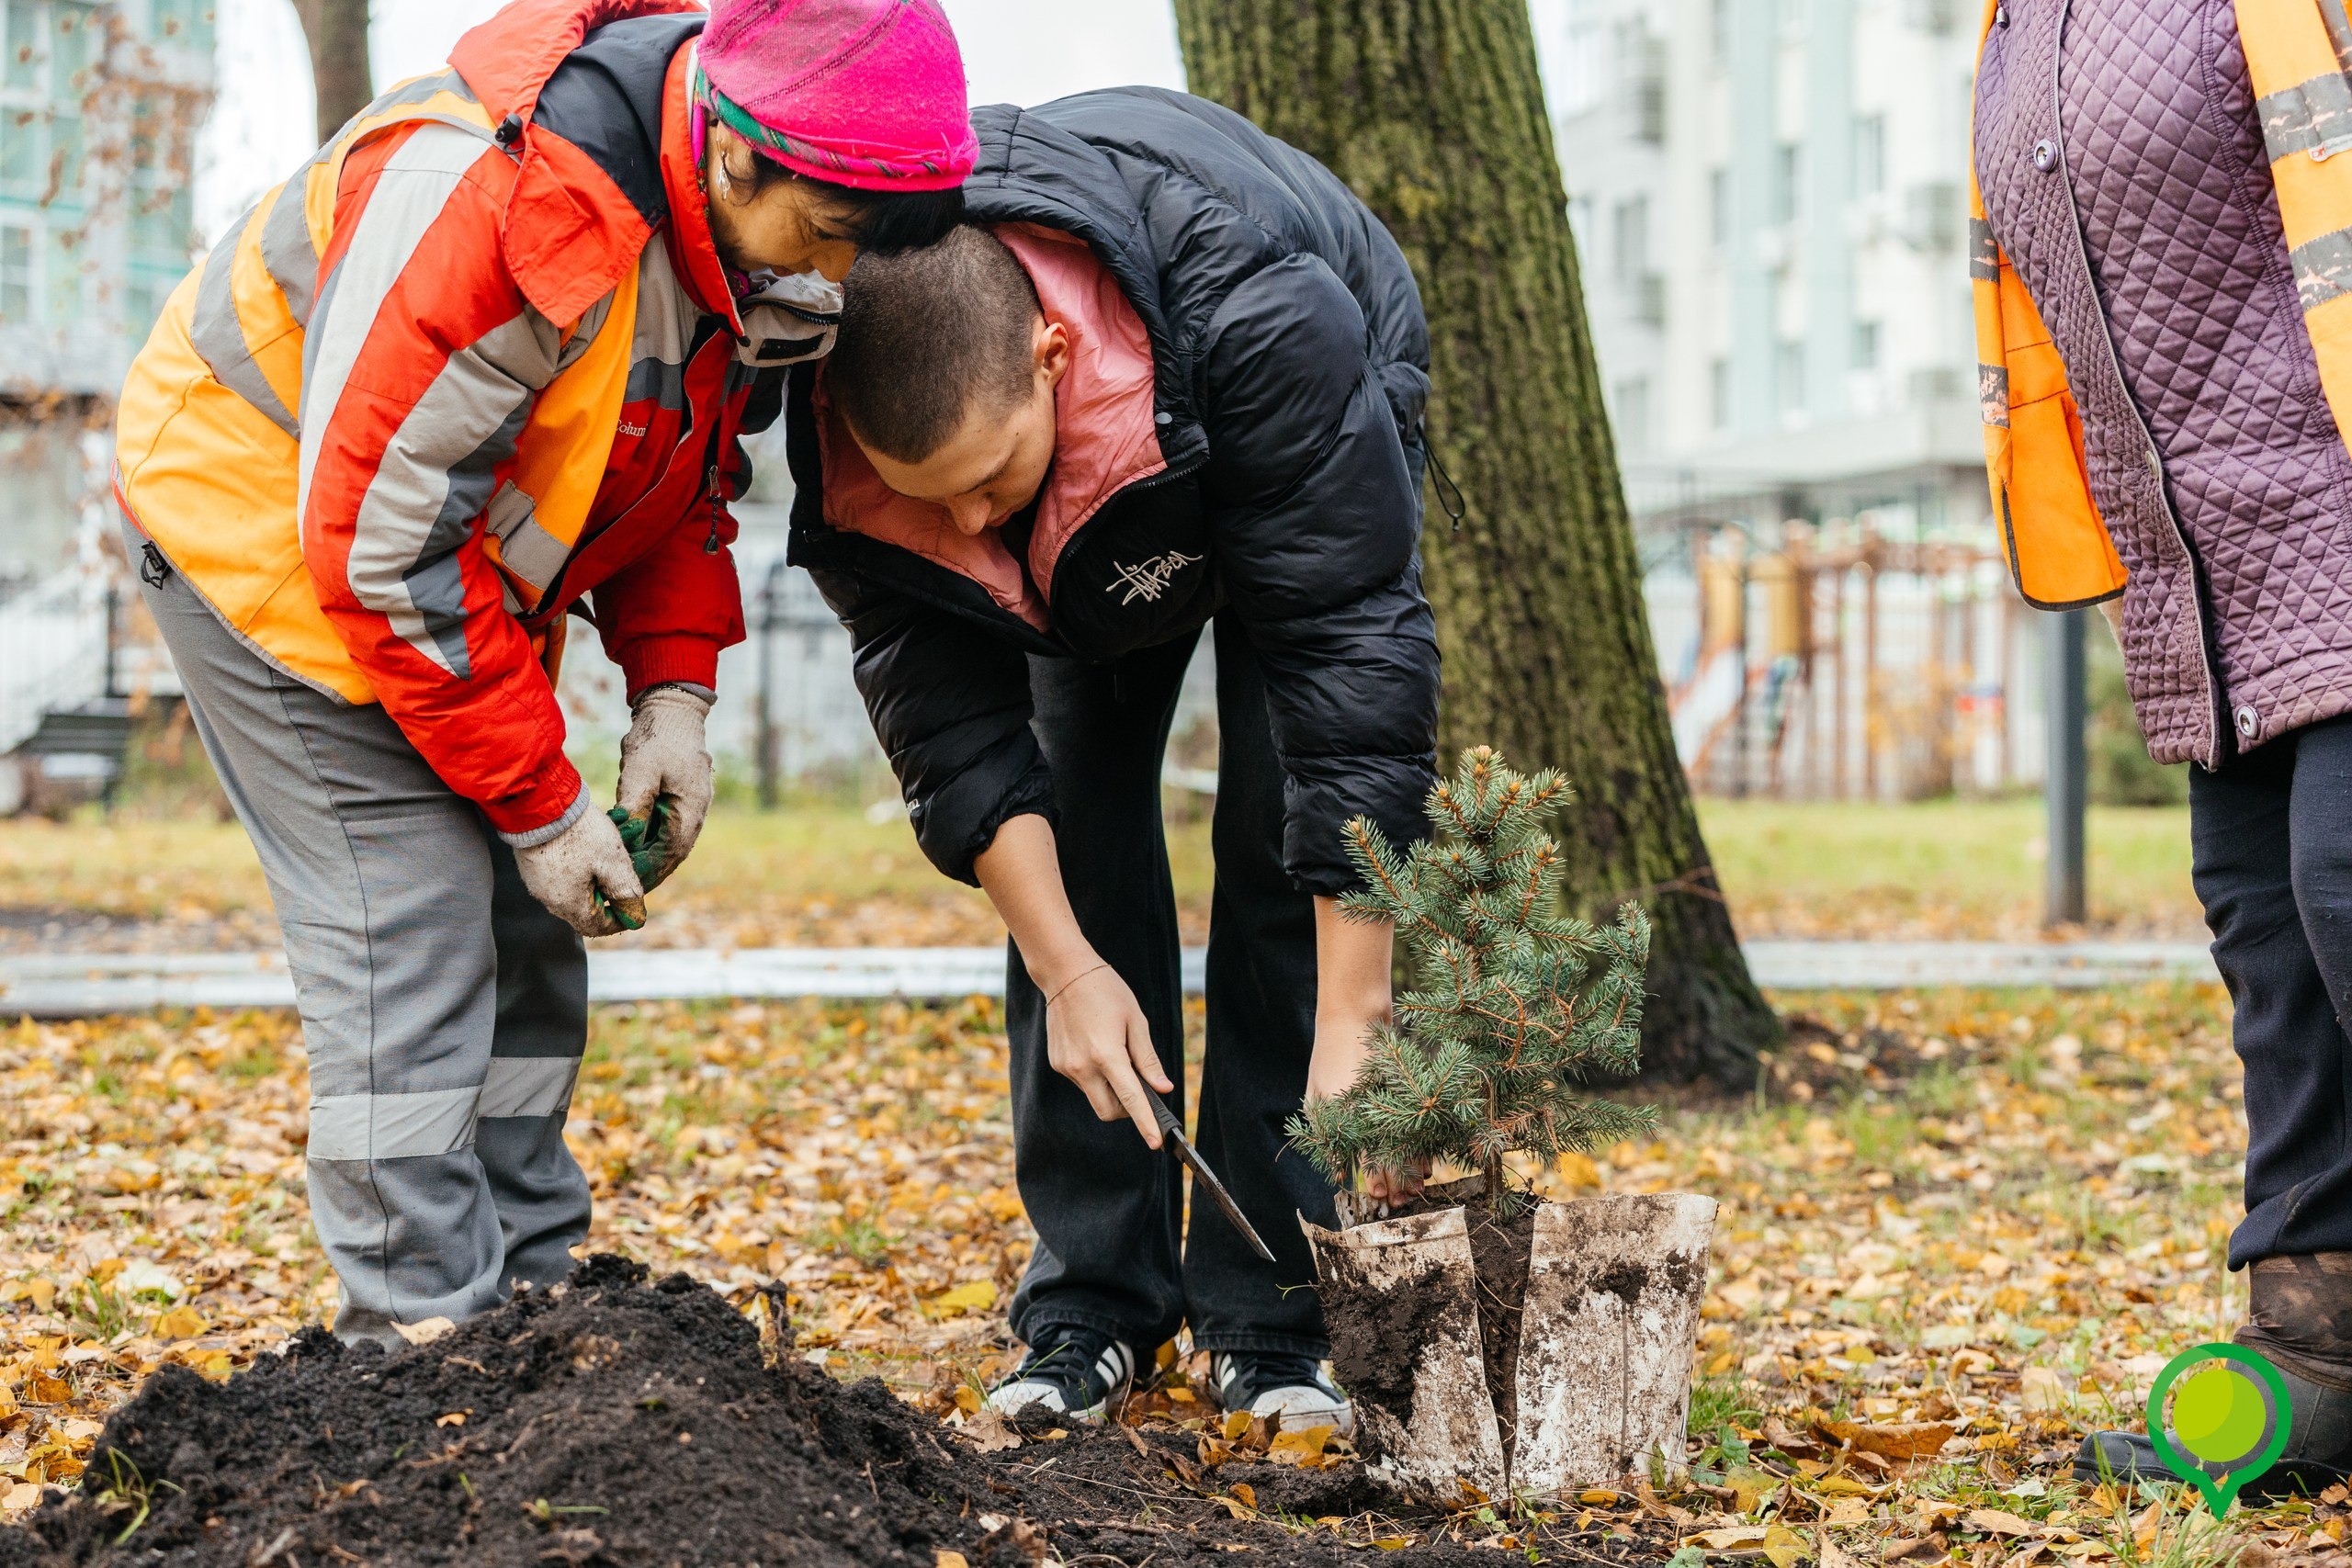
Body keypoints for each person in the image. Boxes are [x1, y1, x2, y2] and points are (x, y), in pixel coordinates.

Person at [110, 0, 971, 1347]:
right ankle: (421, 1343)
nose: (838, 277)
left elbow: (678, 482)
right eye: (829, 234)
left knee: (531, 939)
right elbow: (382, 551)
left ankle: (533, 1311)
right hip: (267, 540)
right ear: (735, 152)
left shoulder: (737, 245)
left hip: (431, 566)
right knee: (413, 916)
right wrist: (539, 801)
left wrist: (673, 698)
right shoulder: (502, 209)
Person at [784, 88, 1442, 1431]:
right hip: (1110, 477)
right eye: (937, 500)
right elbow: (957, 734)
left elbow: (1348, 671)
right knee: (1070, 837)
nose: (969, 520)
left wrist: (1357, 1021)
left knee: (1279, 833)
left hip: (1282, 399)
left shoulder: (1258, 317)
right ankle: (1094, 1304)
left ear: (1048, 356)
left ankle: (1272, 1316)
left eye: (992, 479)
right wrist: (1067, 967)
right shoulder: (869, 448)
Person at [1973, 0, 2352, 1484]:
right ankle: (2315, 1340)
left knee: (2342, 885)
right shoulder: (2015, 25)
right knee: (2265, 924)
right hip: (2198, 562)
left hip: (2332, 486)